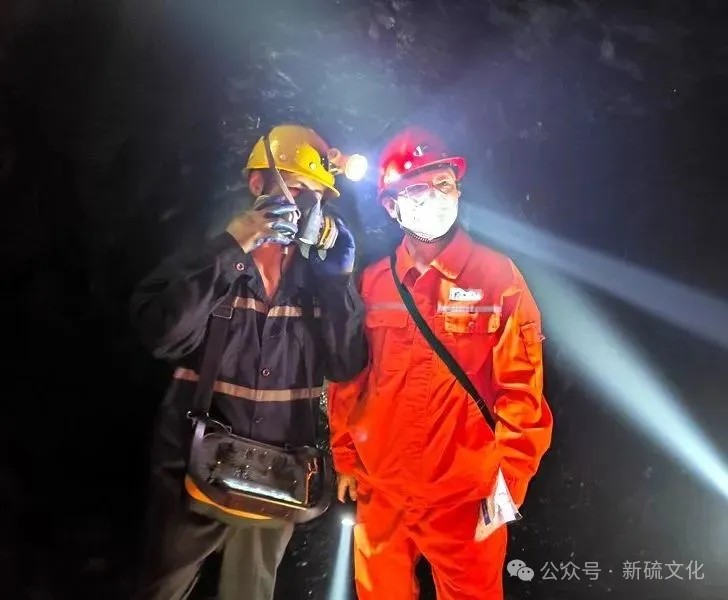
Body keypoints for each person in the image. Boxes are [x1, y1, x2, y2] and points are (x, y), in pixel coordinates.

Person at [129, 124, 367, 600]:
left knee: (251, 592)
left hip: (279, 475)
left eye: (317, 196)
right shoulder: (207, 251)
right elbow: (162, 334)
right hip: (192, 467)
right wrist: (232, 247)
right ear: (258, 183)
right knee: (162, 588)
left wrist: (338, 283)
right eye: (295, 188)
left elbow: (345, 364)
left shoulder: (315, 278)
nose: (305, 206)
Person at [328, 126, 554, 599]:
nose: (434, 196)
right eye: (417, 188)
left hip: (465, 497)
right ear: (392, 206)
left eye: (443, 183)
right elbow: (349, 378)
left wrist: (509, 482)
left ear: (458, 189)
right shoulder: (372, 283)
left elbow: (521, 388)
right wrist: (345, 456)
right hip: (381, 489)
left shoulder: (497, 278)